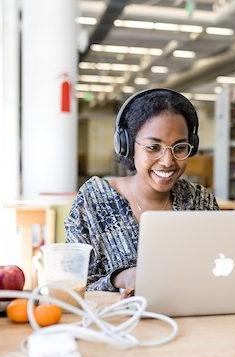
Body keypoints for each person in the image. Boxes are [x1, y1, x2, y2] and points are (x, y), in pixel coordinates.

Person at [65, 88, 219, 296]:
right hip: (116, 324)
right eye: (153, 147)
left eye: (180, 148)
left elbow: (218, 271)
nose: (167, 161)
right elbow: (72, 284)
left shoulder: (201, 202)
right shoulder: (93, 201)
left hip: (192, 319)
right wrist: (120, 277)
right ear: (127, 146)